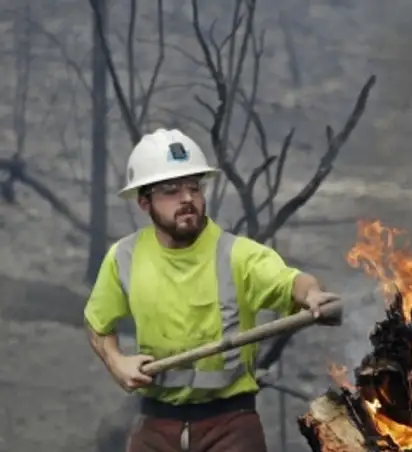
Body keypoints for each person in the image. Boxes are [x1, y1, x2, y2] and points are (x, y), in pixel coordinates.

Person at [84, 128, 340, 452]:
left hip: (231, 425)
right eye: (171, 191)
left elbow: (293, 282)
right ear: (144, 202)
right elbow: (97, 323)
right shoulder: (123, 257)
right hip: (155, 425)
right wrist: (116, 361)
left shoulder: (238, 255)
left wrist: (313, 296)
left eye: (194, 187)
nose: (187, 199)